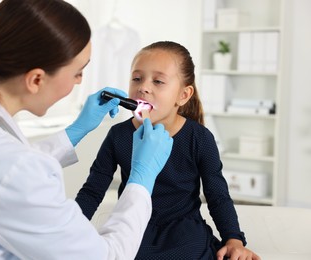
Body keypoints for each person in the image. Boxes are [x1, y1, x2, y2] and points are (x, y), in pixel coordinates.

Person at [0, 1, 174, 259]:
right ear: (36, 79)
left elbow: (1, 170)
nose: (80, 81)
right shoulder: (15, 170)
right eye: (78, 72)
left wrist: (75, 131)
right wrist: (142, 179)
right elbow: (108, 256)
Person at [76, 41, 261, 260]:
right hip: (135, 224)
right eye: (136, 78)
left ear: (183, 95)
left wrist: (234, 239)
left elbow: (217, 195)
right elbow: (93, 190)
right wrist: (68, 230)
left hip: (183, 229)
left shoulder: (199, 138)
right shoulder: (118, 136)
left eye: (158, 81)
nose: (143, 87)